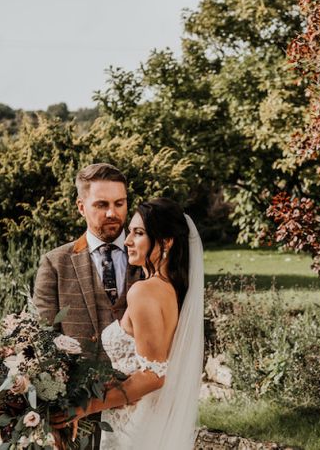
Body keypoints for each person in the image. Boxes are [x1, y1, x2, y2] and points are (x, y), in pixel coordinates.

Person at [57, 198, 204, 450]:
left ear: (166, 241)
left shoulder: (144, 292)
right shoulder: (172, 291)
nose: (127, 240)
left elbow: (153, 375)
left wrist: (85, 406)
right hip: (151, 417)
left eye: (139, 233)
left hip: (134, 425)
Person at [33, 162, 133, 353]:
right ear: (81, 207)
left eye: (119, 203)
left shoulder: (149, 255)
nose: (112, 213)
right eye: (101, 205)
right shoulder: (55, 263)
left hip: (143, 379)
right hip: (80, 380)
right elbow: (43, 335)